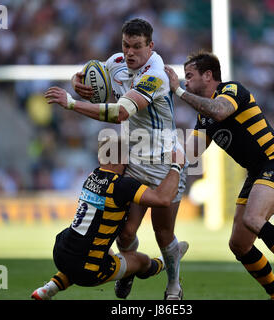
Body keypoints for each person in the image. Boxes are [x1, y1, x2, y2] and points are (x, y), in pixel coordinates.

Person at [44, 18, 188, 300]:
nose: (130, 52)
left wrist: (71, 103)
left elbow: (120, 113)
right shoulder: (118, 61)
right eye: (126, 45)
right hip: (133, 162)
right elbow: (92, 71)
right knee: (125, 234)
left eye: (137, 47)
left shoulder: (155, 76)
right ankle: (128, 270)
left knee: (162, 233)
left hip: (164, 162)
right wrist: (79, 78)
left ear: (151, 47)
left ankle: (173, 285)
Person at [164, 52, 274, 300]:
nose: (185, 82)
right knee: (239, 244)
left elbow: (220, 111)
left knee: (252, 218)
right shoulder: (204, 118)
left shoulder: (231, 90)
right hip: (256, 172)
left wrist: (178, 92)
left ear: (208, 75)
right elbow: (188, 153)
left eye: (189, 76)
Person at [31, 137, 188, 300]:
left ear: (101, 158)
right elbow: (162, 199)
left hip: (61, 251)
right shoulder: (121, 185)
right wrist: (176, 166)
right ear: (124, 160)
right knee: (141, 262)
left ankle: (50, 287)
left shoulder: (92, 175)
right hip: (88, 268)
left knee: (90, 250)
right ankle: (162, 263)